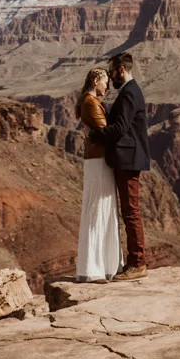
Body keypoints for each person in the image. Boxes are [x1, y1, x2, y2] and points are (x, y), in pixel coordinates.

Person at [89, 52, 149, 280]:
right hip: (127, 158)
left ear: (121, 70)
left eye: (112, 72)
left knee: (131, 212)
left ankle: (137, 263)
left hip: (128, 159)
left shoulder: (129, 93)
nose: (111, 77)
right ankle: (135, 261)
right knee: (129, 211)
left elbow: (120, 128)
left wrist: (95, 135)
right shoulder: (129, 92)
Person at [74, 67, 120, 282]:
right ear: (95, 81)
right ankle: (92, 270)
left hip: (99, 159)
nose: (107, 87)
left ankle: (104, 266)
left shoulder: (90, 102)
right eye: (105, 82)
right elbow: (106, 131)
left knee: (103, 208)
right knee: (97, 209)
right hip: (98, 159)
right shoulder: (90, 103)